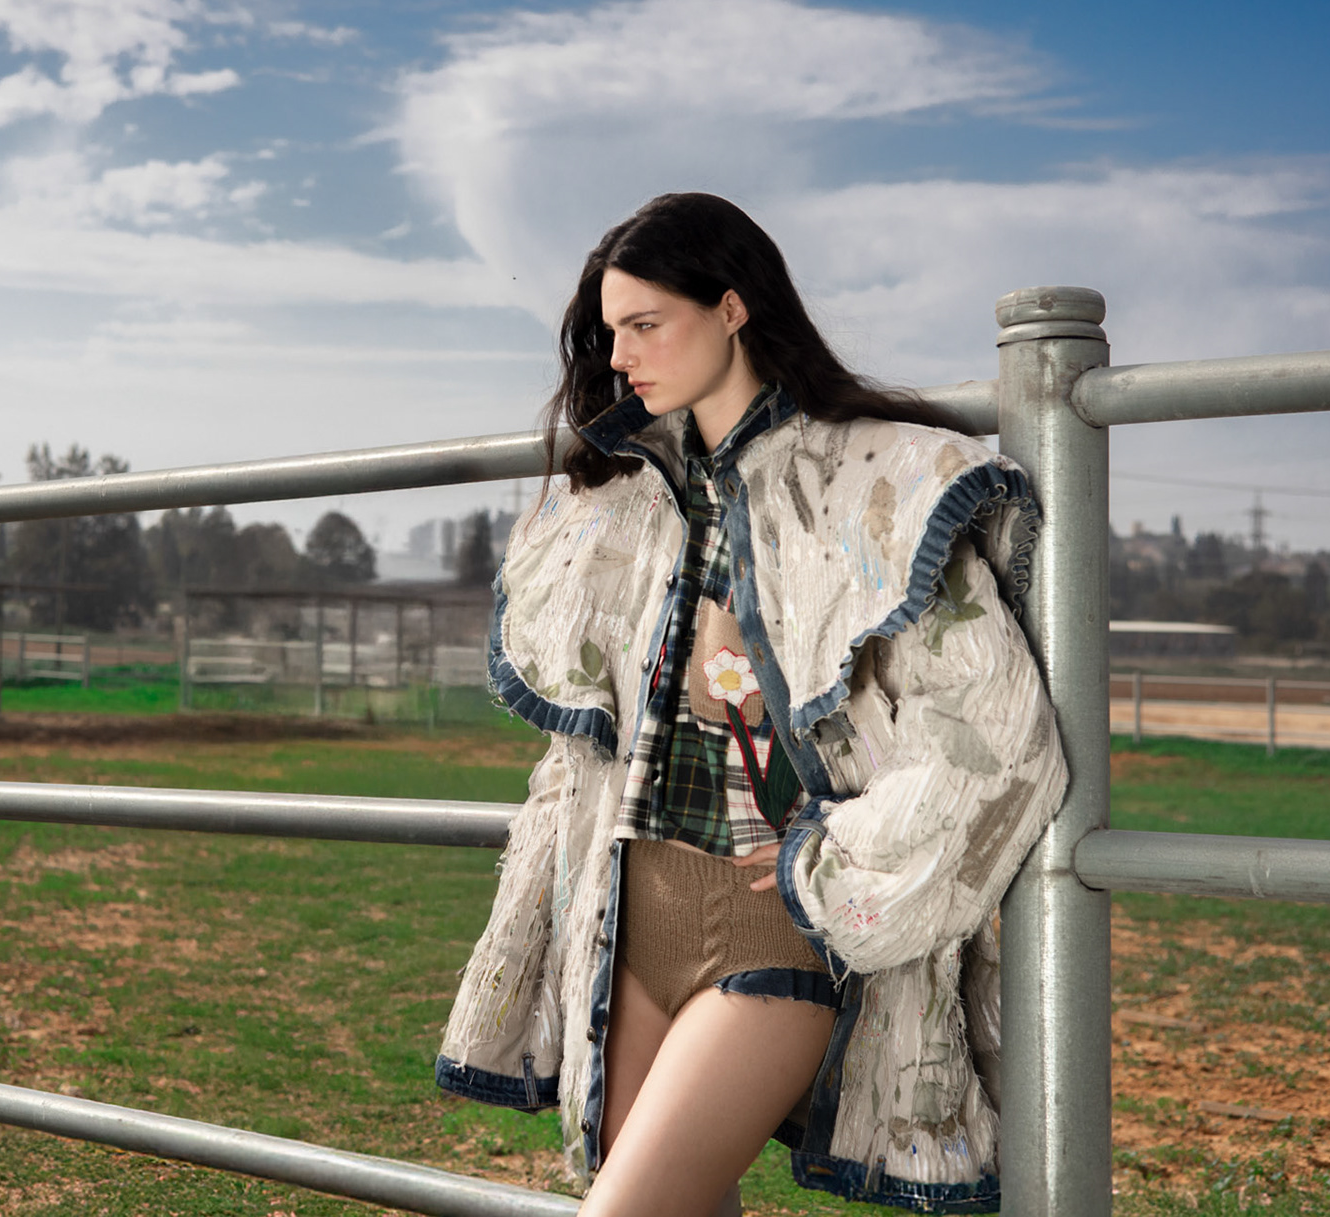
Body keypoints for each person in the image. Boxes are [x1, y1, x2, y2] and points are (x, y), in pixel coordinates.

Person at [436, 193, 1068, 1216]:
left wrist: (827, 865)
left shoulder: (875, 486)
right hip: (629, 922)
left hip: (773, 931)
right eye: (611, 331)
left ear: (732, 308)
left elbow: (1002, 742)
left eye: (647, 323)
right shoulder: (623, 504)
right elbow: (578, 759)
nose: (621, 356)